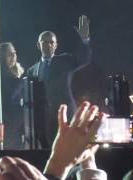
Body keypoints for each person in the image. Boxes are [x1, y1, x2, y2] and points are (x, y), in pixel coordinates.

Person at [27, 15, 92, 148]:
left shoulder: (65, 60)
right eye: (44, 42)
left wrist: (84, 40)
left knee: (68, 149)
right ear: (38, 45)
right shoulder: (32, 70)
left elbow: (84, 59)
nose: (48, 45)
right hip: (43, 120)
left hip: (65, 114)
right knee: (46, 152)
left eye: (51, 42)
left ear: (56, 45)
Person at [0, 42, 25, 149]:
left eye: (14, 53)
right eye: (9, 54)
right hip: (9, 123)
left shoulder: (19, 72)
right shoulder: (1, 76)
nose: (13, 56)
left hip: (19, 123)